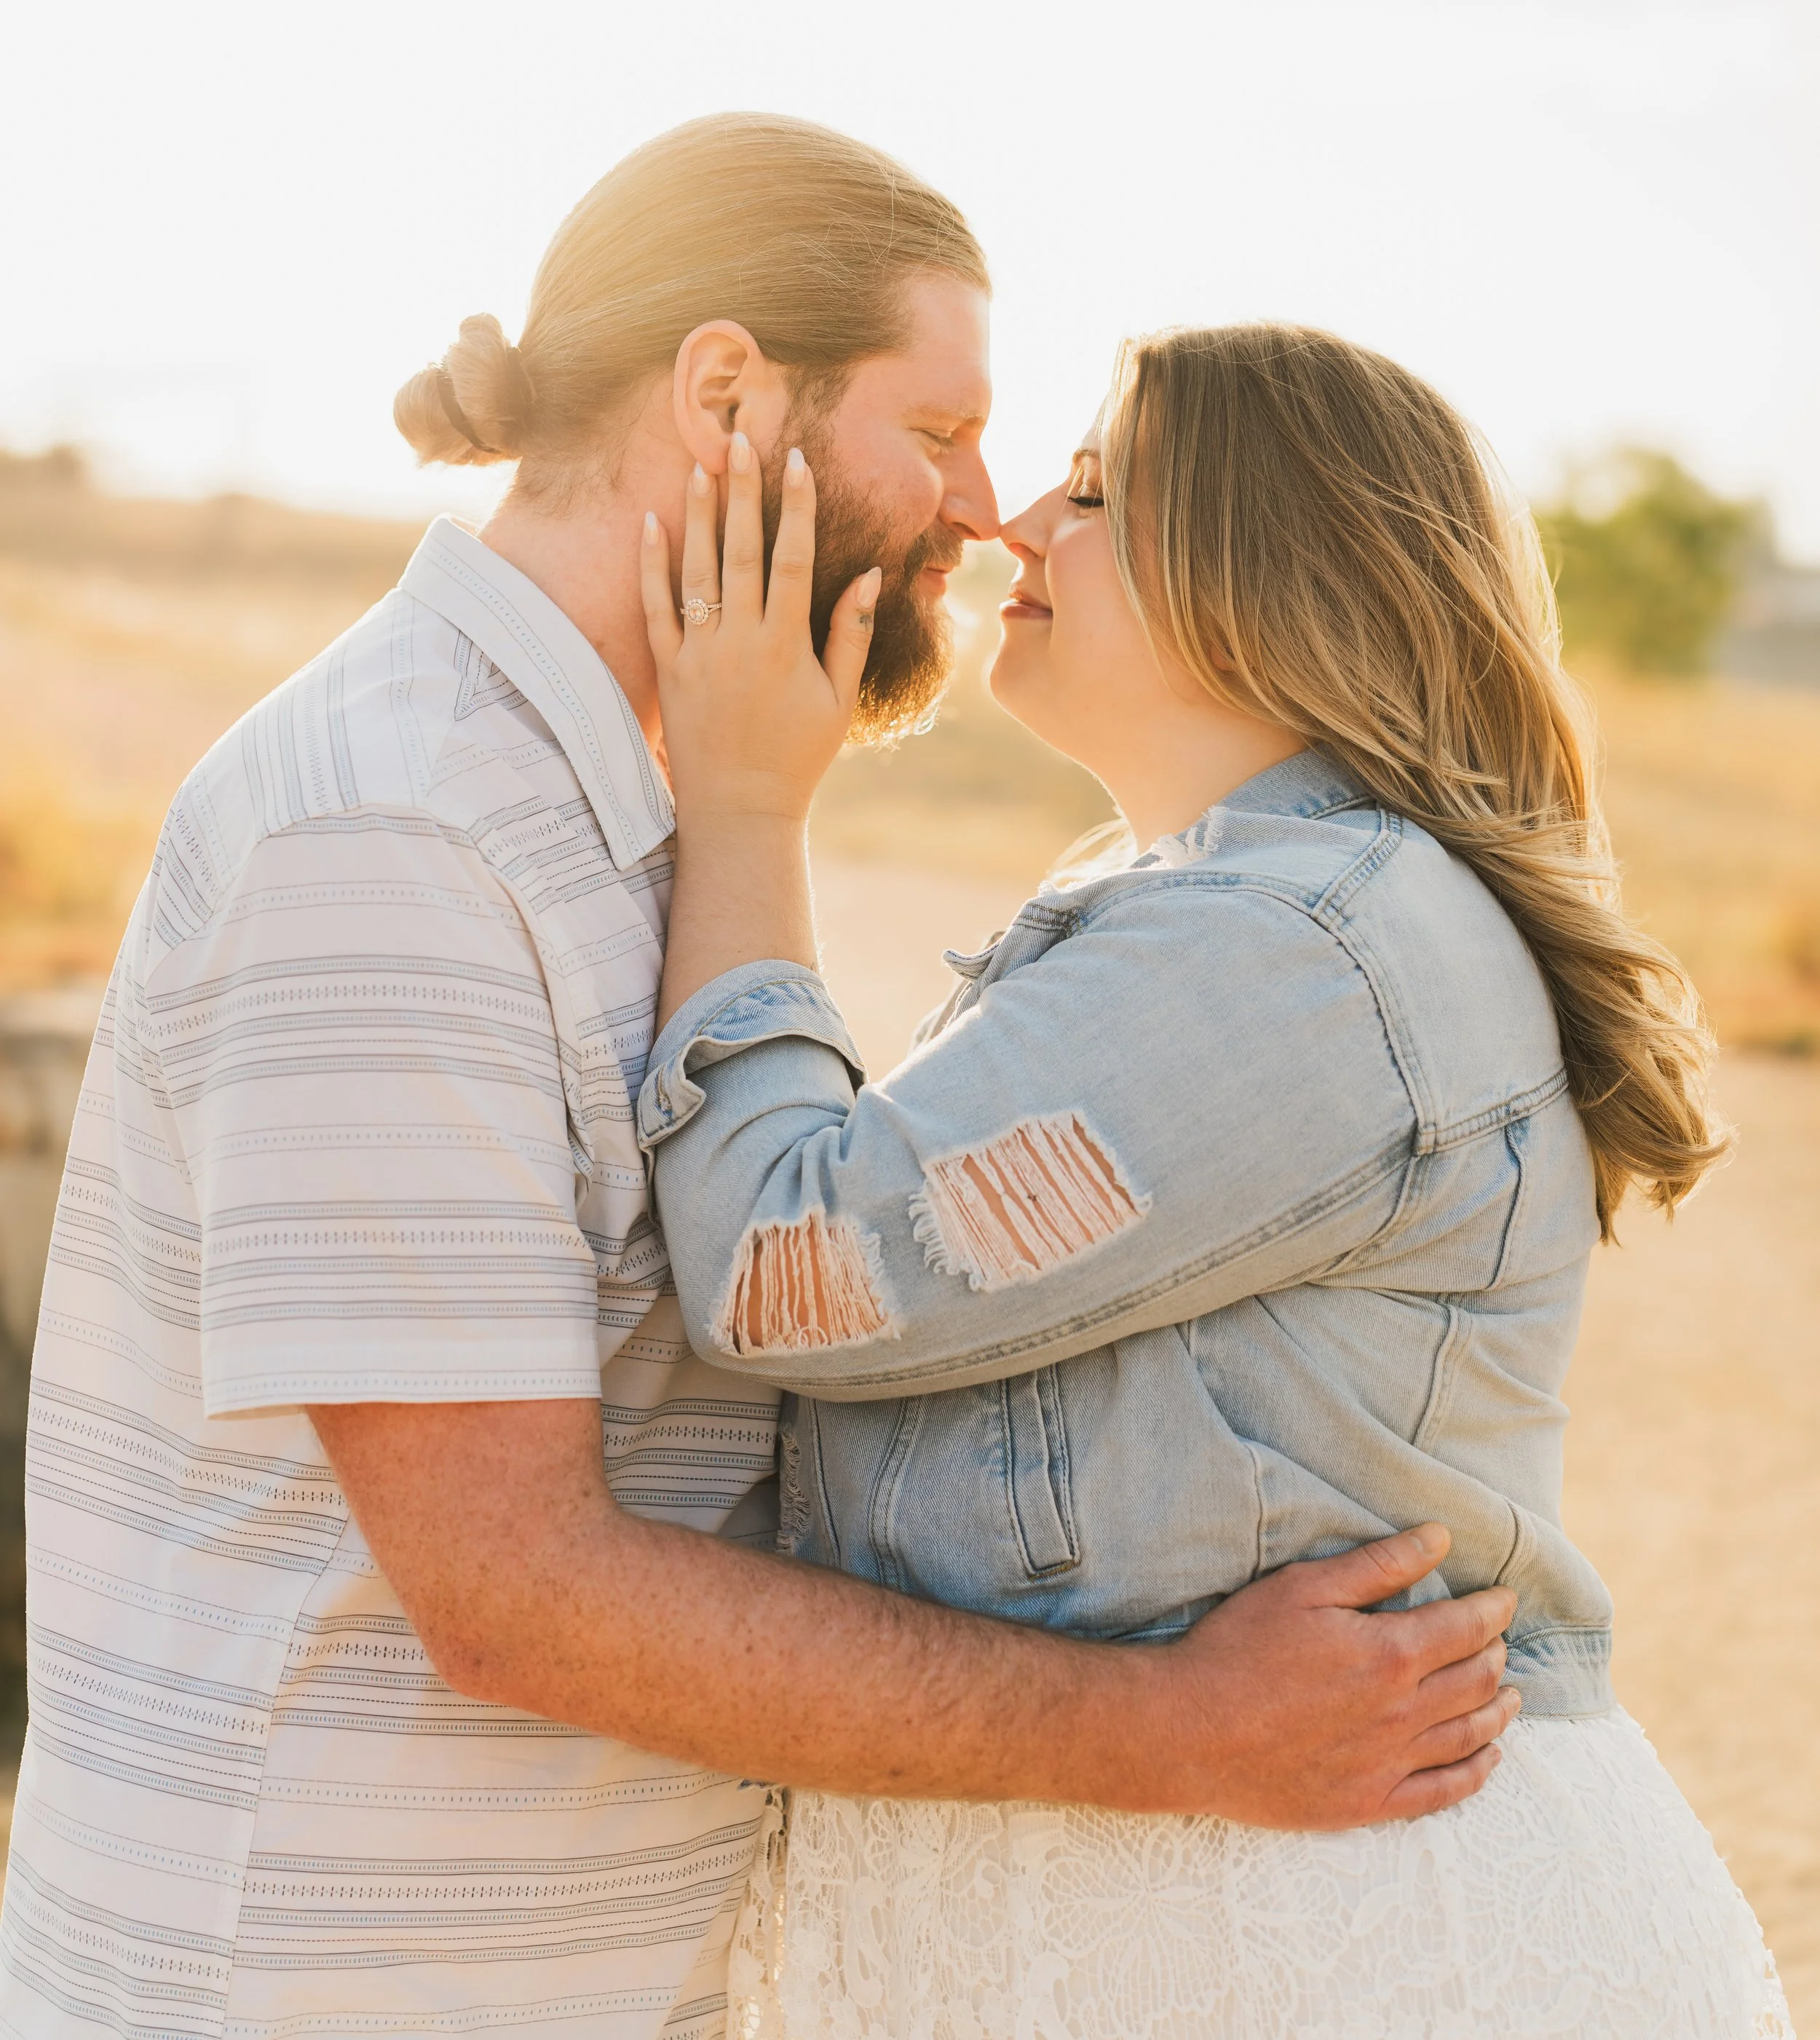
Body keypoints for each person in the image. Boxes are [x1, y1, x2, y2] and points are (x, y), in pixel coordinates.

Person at [0, 123, 1516, 2040]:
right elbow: (514, 1593)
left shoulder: (635, 811)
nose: (982, 514)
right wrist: (1175, 1730)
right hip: (335, 1983)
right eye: (941, 430)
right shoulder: (394, 831)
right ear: (723, 393)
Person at [636, 320, 1794, 2039]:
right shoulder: (1222, 911)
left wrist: (738, 803)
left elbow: (790, 1263)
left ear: (1273, 563)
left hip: (1329, 1950)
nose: (1017, 520)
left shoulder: (1295, 953)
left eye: (1095, 485)